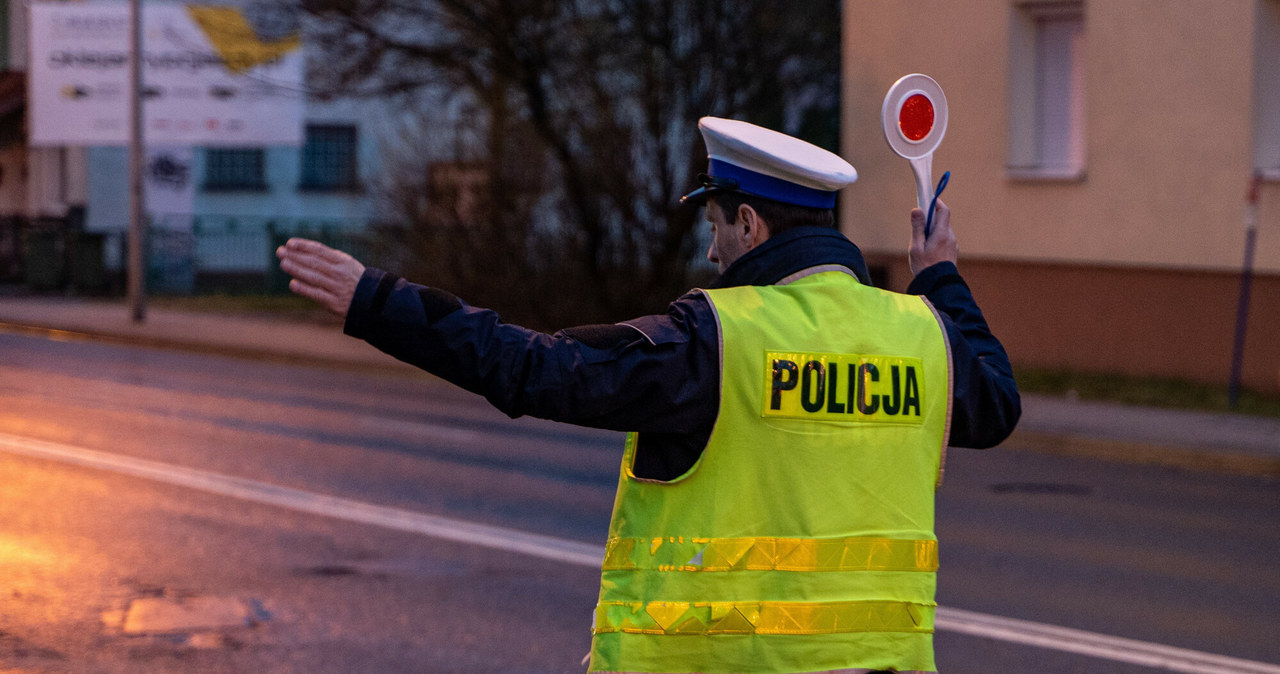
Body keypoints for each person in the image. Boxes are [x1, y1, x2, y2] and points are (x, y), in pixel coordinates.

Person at [277, 116, 1020, 674]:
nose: (710, 248)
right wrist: (939, 277)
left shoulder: (717, 338)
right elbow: (997, 403)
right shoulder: (919, 336)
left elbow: (536, 368)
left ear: (751, 224)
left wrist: (378, 302)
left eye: (715, 224)